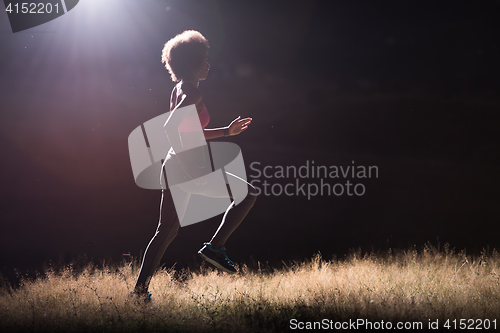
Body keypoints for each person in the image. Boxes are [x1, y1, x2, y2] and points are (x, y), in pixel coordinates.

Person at [133, 30, 257, 300]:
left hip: (173, 164)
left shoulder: (182, 89)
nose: (208, 64)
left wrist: (226, 131)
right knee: (247, 194)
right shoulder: (189, 90)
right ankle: (215, 247)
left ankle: (139, 293)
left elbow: (188, 131)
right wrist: (189, 167)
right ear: (193, 62)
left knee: (166, 231)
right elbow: (170, 127)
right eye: (205, 58)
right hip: (182, 164)